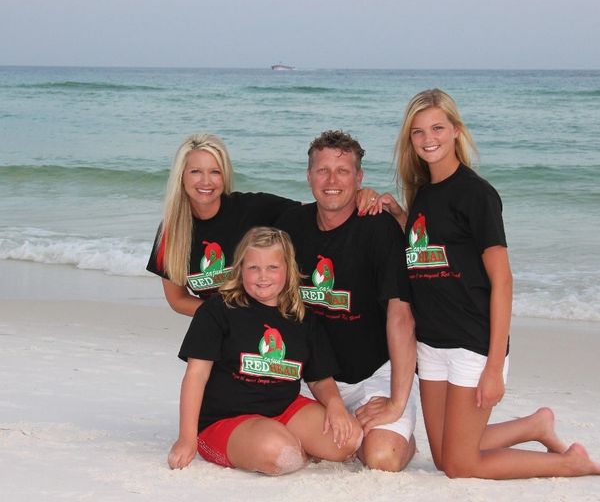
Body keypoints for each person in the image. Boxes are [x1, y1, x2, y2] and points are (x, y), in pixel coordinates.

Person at [387, 88, 600, 478]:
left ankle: (570, 463)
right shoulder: (422, 194)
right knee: (443, 457)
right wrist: (397, 212)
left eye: (437, 127)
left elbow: (502, 281)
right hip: (432, 344)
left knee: (460, 465)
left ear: (455, 131)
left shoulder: (477, 194)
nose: (428, 138)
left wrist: (492, 364)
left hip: (473, 343)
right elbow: (431, 247)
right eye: (417, 132)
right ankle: (534, 425)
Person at [276, 130, 418, 472]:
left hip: (373, 376)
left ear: (359, 177)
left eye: (342, 171)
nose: (331, 181)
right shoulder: (291, 227)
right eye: (322, 170)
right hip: (313, 381)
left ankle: (400, 435)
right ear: (309, 176)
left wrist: (397, 403)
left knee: (382, 458)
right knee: (293, 450)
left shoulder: (378, 228)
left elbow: (401, 318)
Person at [167, 226, 362, 475]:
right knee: (281, 454)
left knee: (349, 439)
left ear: (288, 269)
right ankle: (280, 442)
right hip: (225, 419)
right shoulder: (218, 310)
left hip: (283, 408)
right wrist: (187, 438)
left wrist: (335, 404)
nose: (263, 276)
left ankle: (286, 438)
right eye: (253, 268)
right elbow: (196, 375)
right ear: (240, 269)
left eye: (273, 267)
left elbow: (319, 378)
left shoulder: (301, 316)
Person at [147, 133, 377, 316]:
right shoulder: (172, 231)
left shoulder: (252, 209)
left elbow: (320, 208)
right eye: (195, 171)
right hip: (217, 324)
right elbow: (178, 300)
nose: (206, 181)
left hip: (267, 322)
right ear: (181, 176)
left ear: (225, 175)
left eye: (215, 172)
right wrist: (227, 315)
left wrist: (358, 196)